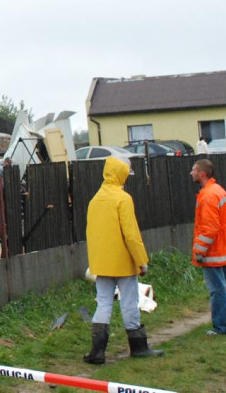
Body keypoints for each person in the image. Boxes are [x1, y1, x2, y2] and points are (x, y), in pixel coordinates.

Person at [83, 155, 163, 364]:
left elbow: (92, 233)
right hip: (123, 261)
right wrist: (141, 260)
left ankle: (97, 352)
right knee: (129, 302)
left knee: (103, 304)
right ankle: (139, 347)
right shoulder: (123, 199)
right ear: (122, 174)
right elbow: (131, 234)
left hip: (101, 262)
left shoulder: (94, 200)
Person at [191, 158, 226, 336]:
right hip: (224, 248)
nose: (191, 173)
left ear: (202, 173)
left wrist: (199, 251)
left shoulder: (208, 195)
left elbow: (209, 228)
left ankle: (224, 327)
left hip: (213, 251)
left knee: (218, 290)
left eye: (193, 170)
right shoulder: (219, 191)